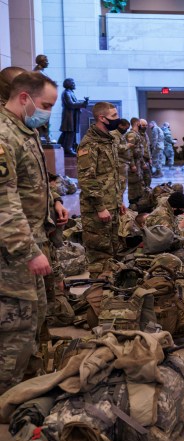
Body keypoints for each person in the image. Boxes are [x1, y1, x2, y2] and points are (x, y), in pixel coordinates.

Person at [0, 72, 68, 395]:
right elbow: (4, 202)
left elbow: (35, 180)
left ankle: (29, 382)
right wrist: (29, 251)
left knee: (37, 315)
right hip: (12, 252)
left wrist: (54, 203)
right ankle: (8, 397)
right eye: (46, 105)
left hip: (32, 240)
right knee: (16, 326)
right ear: (24, 98)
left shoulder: (24, 130)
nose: (48, 112)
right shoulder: (3, 135)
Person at [77, 101, 125, 277]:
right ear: (101, 118)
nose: (117, 119)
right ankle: (98, 295)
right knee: (99, 256)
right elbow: (87, 179)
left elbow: (112, 174)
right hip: (96, 209)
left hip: (111, 204)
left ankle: (111, 294)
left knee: (113, 250)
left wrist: (119, 201)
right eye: (113, 116)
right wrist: (100, 207)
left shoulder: (108, 140)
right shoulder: (89, 144)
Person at [58, 78, 88, 157]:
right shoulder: (66, 93)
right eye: (73, 83)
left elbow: (75, 102)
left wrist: (83, 103)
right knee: (69, 132)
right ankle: (68, 149)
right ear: (68, 84)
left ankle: (64, 146)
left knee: (69, 132)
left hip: (73, 115)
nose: (74, 84)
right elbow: (71, 104)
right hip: (69, 116)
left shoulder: (71, 92)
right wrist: (82, 104)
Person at [125, 118, 146, 204]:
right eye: (141, 124)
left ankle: (139, 202)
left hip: (138, 163)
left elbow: (139, 151)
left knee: (139, 184)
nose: (143, 126)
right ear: (137, 123)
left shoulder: (137, 134)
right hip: (133, 164)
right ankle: (133, 204)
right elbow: (129, 151)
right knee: (133, 185)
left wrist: (143, 163)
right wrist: (132, 165)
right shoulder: (132, 135)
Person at [111, 118, 131, 196]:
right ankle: (118, 205)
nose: (126, 130)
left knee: (122, 186)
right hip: (119, 163)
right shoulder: (114, 134)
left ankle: (120, 204)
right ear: (120, 125)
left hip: (123, 162)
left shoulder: (121, 135)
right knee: (120, 186)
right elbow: (116, 148)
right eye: (125, 128)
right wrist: (127, 145)